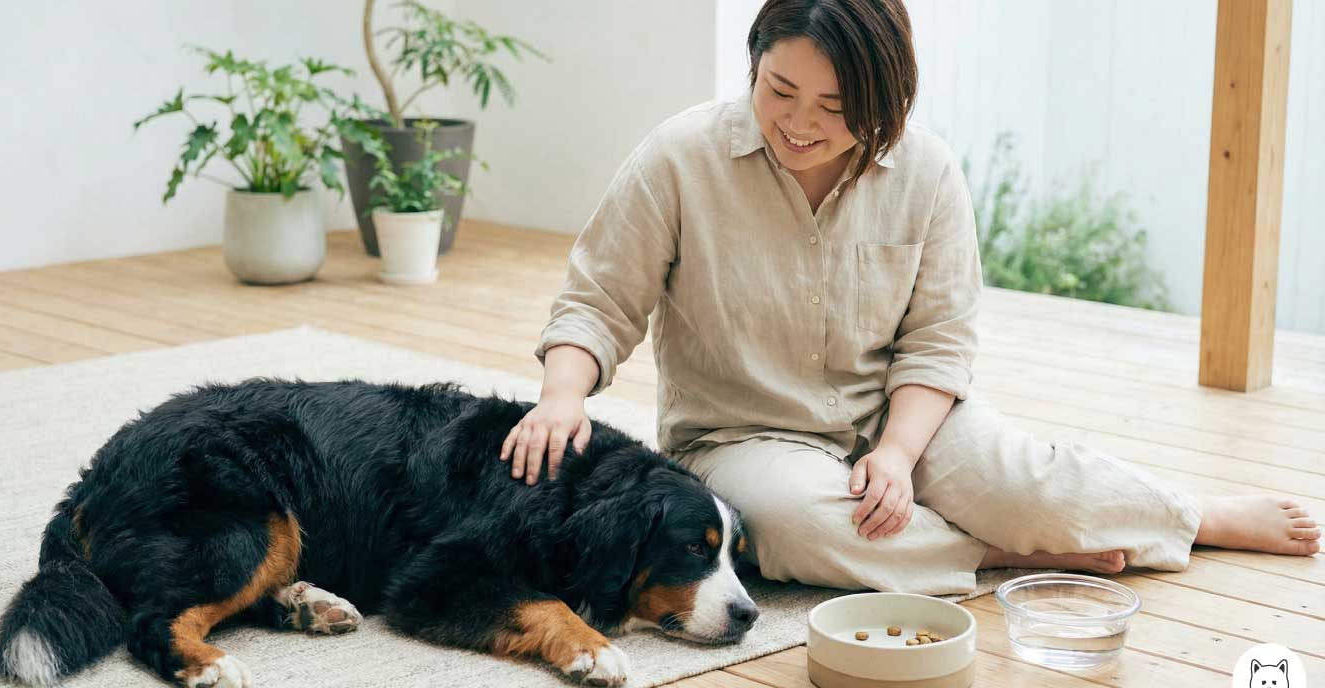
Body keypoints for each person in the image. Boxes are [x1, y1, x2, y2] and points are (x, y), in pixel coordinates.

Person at [500, 0, 1320, 595]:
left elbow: (938, 341)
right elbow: (600, 299)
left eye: (834, 107)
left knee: (1022, 485)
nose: (797, 124)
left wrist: (894, 452)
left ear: (886, 99)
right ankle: (1007, 557)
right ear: (755, 62)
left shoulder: (927, 172)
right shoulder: (679, 157)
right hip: (738, 435)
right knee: (792, 527)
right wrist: (562, 397)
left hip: (905, 415)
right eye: (779, 90)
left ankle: (1191, 515)